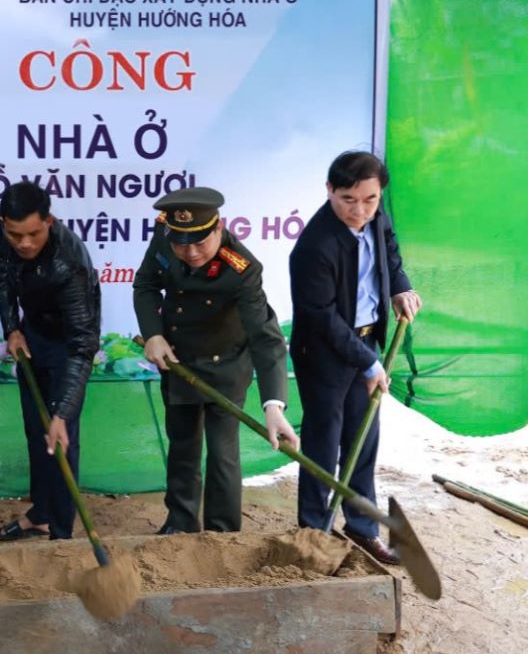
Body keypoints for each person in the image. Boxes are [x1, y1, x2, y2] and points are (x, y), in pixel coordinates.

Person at [133, 186, 299, 535]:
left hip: (227, 364)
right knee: (183, 447)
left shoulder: (243, 268)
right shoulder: (165, 237)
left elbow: (265, 338)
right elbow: (145, 284)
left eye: (200, 243)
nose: (190, 253)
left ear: (218, 229)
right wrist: (153, 334)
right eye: (182, 244)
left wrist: (274, 405)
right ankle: (180, 522)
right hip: (179, 360)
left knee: (223, 454)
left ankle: (224, 533)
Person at [290, 151, 421, 564]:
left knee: (363, 439)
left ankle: (362, 528)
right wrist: (369, 363)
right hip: (325, 353)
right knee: (323, 445)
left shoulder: (376, 216)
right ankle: (314, 533)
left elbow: (390, 251)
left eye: (369, 199)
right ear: (329, 190)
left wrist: (400, 285)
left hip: (367, 343)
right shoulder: (315, 245)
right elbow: (321, 317)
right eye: (348, 199)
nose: (359, 210)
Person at [0, 182, 101, 541]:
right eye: (15, 234)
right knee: (36, 431)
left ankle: (61, 532)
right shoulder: (5, 228)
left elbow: (83, 346)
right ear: (5, 223)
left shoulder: (70, 265)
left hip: (68, 343)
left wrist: (63, 412)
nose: (24, 243)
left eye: (33, 234)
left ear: (49, 221)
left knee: (61, 436)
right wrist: (12, 329)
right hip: (32, 333)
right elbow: (3, 277)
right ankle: (40, 512)